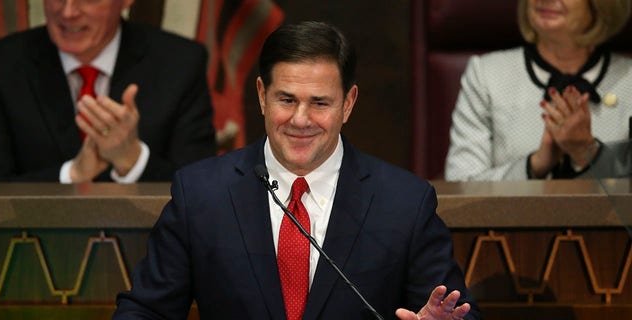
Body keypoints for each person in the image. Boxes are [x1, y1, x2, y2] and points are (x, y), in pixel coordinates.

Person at [112, 21, 479, 320]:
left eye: (319, 103)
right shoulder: (201, 193)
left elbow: (455, 311)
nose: (300, 120)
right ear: (261, 95)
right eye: (286, 100)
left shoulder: (404, 203)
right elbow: (146, 311)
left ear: (348, 103)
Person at [0, 0, 216, 182]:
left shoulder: (180, 63)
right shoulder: (1, 64)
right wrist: (72, 174)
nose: (68, 12)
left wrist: (133, 160)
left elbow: (202, 188)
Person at [445, 0, 632, 181]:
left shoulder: (628, 80)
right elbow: (461, 186)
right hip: (510, 215)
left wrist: (588, 152)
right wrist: (534, 165)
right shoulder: (486, 74)